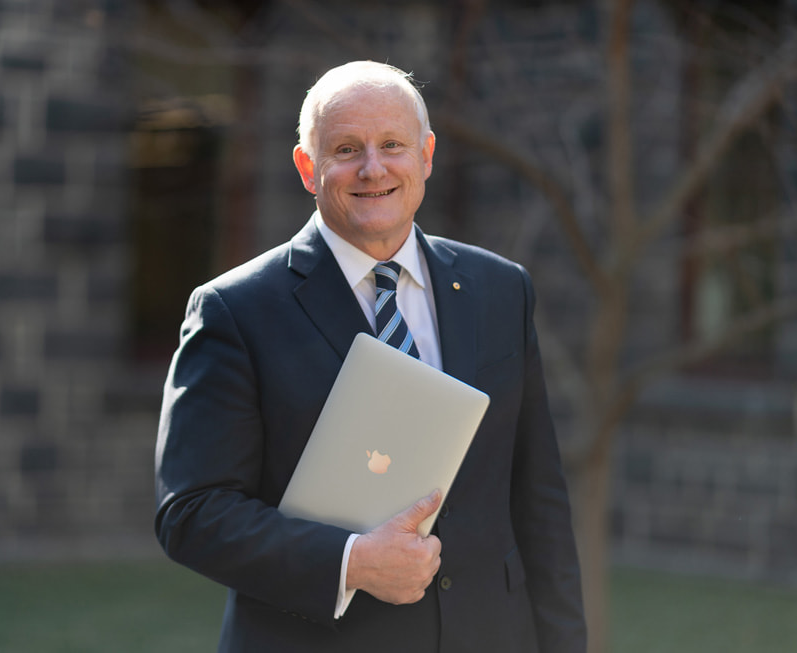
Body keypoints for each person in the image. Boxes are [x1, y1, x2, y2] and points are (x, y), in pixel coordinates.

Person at [155, 60, 586, 652]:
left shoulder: (501, 289)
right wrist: (351, 562)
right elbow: (192, 513)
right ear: (308, 167)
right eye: (346, 149)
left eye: (392, 145)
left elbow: (540, 502)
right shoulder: (234, 310)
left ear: (426, 155)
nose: (373, 168)